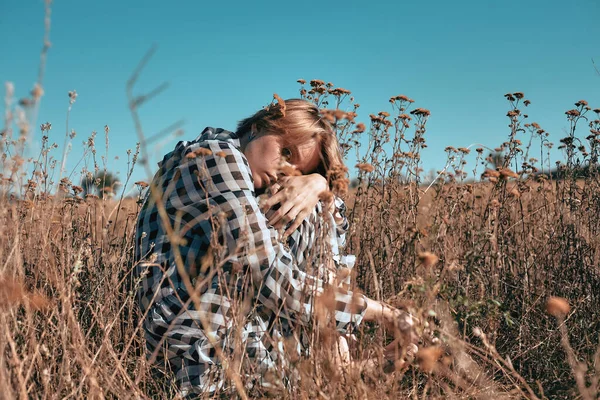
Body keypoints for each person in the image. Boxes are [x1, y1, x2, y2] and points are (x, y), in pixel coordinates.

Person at [133, 99, 415, 397]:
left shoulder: (244, 173)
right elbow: (273, 279)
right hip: (202, 343)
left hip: (235, 333)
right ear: (257, 126)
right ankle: (335, 369)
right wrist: (386, 314)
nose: (284, 171)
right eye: (286, 152)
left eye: (297, 169)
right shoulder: (216, 157)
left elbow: (334, 224)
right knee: (308, 215)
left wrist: (320, 186)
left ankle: (333, 365)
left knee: (315, 210)